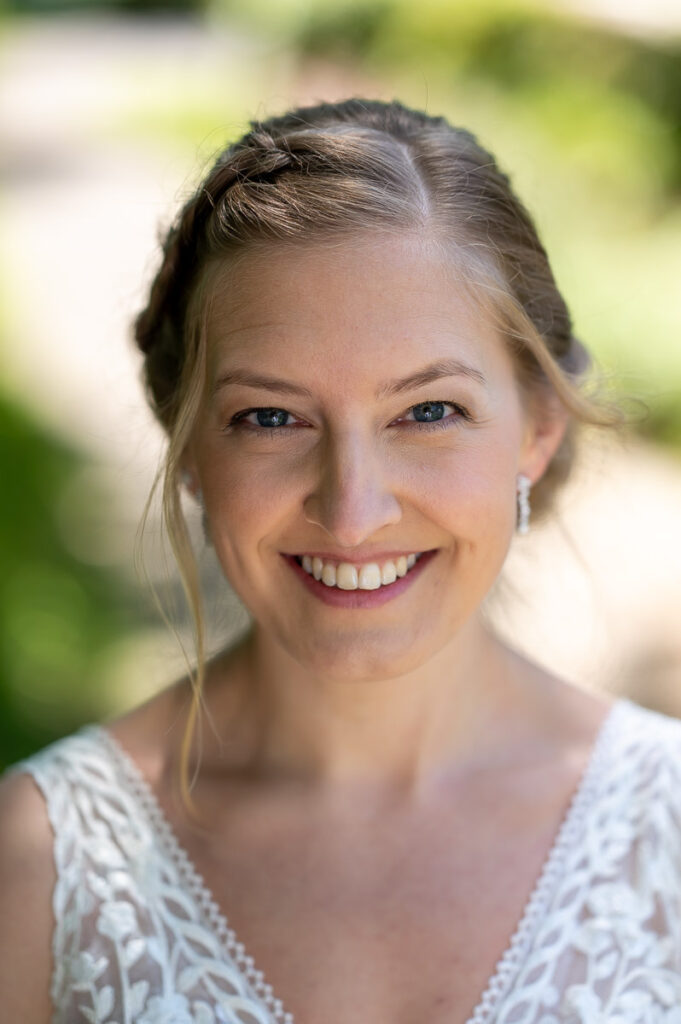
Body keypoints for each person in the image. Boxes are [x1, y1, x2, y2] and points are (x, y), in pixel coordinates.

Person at [1, 97, 680, 1024]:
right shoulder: (36, 865)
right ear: (193, 452)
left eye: (428, 411)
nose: (352, 513)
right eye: (270, 418)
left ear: (535, 431)